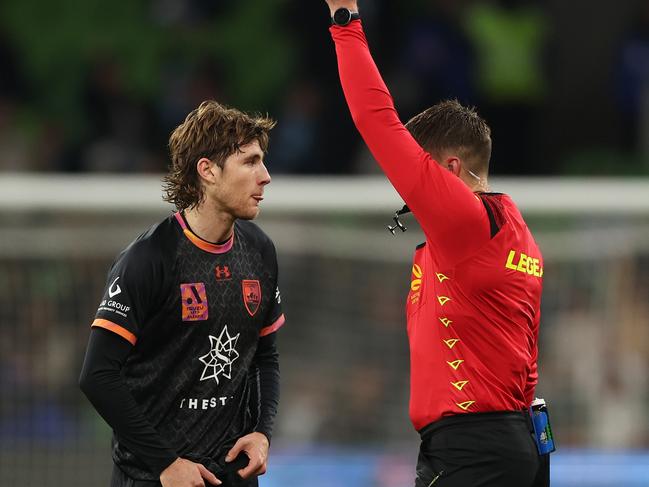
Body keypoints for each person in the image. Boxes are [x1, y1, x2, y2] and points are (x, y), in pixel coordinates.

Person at [323, 2, 550, 486]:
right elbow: (525, 369)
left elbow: (375, 120)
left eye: (417, 174)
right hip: (513, 443)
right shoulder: (517, 235)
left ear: (449, 171)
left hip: (472, 449)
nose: (408, 196)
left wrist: (345, 19)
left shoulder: (465, 221)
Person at [79, 100, 285, 487]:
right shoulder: (149, 259)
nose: (266, 176)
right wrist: (166, 463)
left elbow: (265, 356)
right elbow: (98, 376)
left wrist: (261, 432)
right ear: (207, 170)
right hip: (155, 477)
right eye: (250, 162)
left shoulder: (259, 251)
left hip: (232, 474)